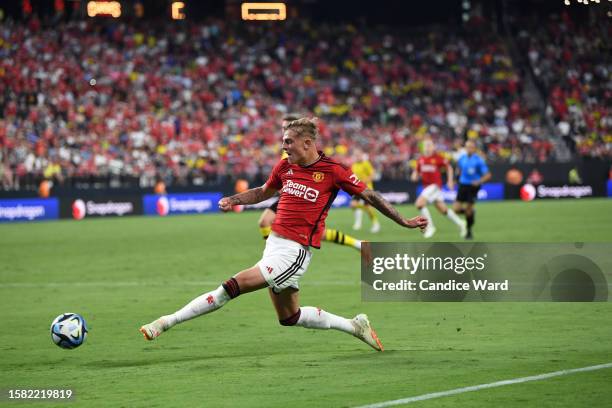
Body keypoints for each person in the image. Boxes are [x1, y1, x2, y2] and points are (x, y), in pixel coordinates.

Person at [140, 118, 427, 351]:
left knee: (230, 287)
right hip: (274, 246)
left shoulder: (333, 171)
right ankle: (355, 325)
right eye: (283, 142)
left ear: (307, 142)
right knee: (290, 317)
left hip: (295, 252)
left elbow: (371, 195)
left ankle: (166, 322)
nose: (284, 147)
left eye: (289, 142)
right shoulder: (285, 166)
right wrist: (234, 200)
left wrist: (404, 221)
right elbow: (263, 192)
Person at [259, 115, 362, 251]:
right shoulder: (287, 150)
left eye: (287, 127)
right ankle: (356, 243)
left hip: (299, 196)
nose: (284, 130)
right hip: (289, 195)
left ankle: (272, 251)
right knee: (267, 222)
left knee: (268, 222)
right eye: (283, 128)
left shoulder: (299, 150)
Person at [411, 139, 466, 238]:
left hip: (435, 186)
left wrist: (449, 180)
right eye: (426, 145)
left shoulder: (437, 158)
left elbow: (449, 168)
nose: (427, 147)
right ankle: (461, 223)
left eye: (429, 145)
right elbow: (416, 171)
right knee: (443, 209)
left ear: (433, 147)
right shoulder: (421, 159)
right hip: (427, 187)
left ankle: (430, 227)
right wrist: (414, 175)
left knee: (419, 204)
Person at [453, 140, 491, 240]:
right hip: (462, 185)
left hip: (473, 187)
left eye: (471, 147)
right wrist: (455, 180)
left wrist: (479, 181)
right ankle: (470, 212)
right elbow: (459, 169)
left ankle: (469, 231)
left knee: (468, 209)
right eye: (467, 147)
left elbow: (487, 175)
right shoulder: (462, 158)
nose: (468, 149)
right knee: (456, 209)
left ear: (474, 149)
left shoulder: (479, 160)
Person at [350, 149, 380, 233]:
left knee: (367, 207)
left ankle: (376, 224)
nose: (357, 157)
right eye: (356, 155)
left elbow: (372, 175)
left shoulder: (366, 163)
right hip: (357, 188)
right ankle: (360, 221)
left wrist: (364, 181)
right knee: (353, 205)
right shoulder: (354, 165)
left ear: (362, 155)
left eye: (358, 155)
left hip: (367, 189)